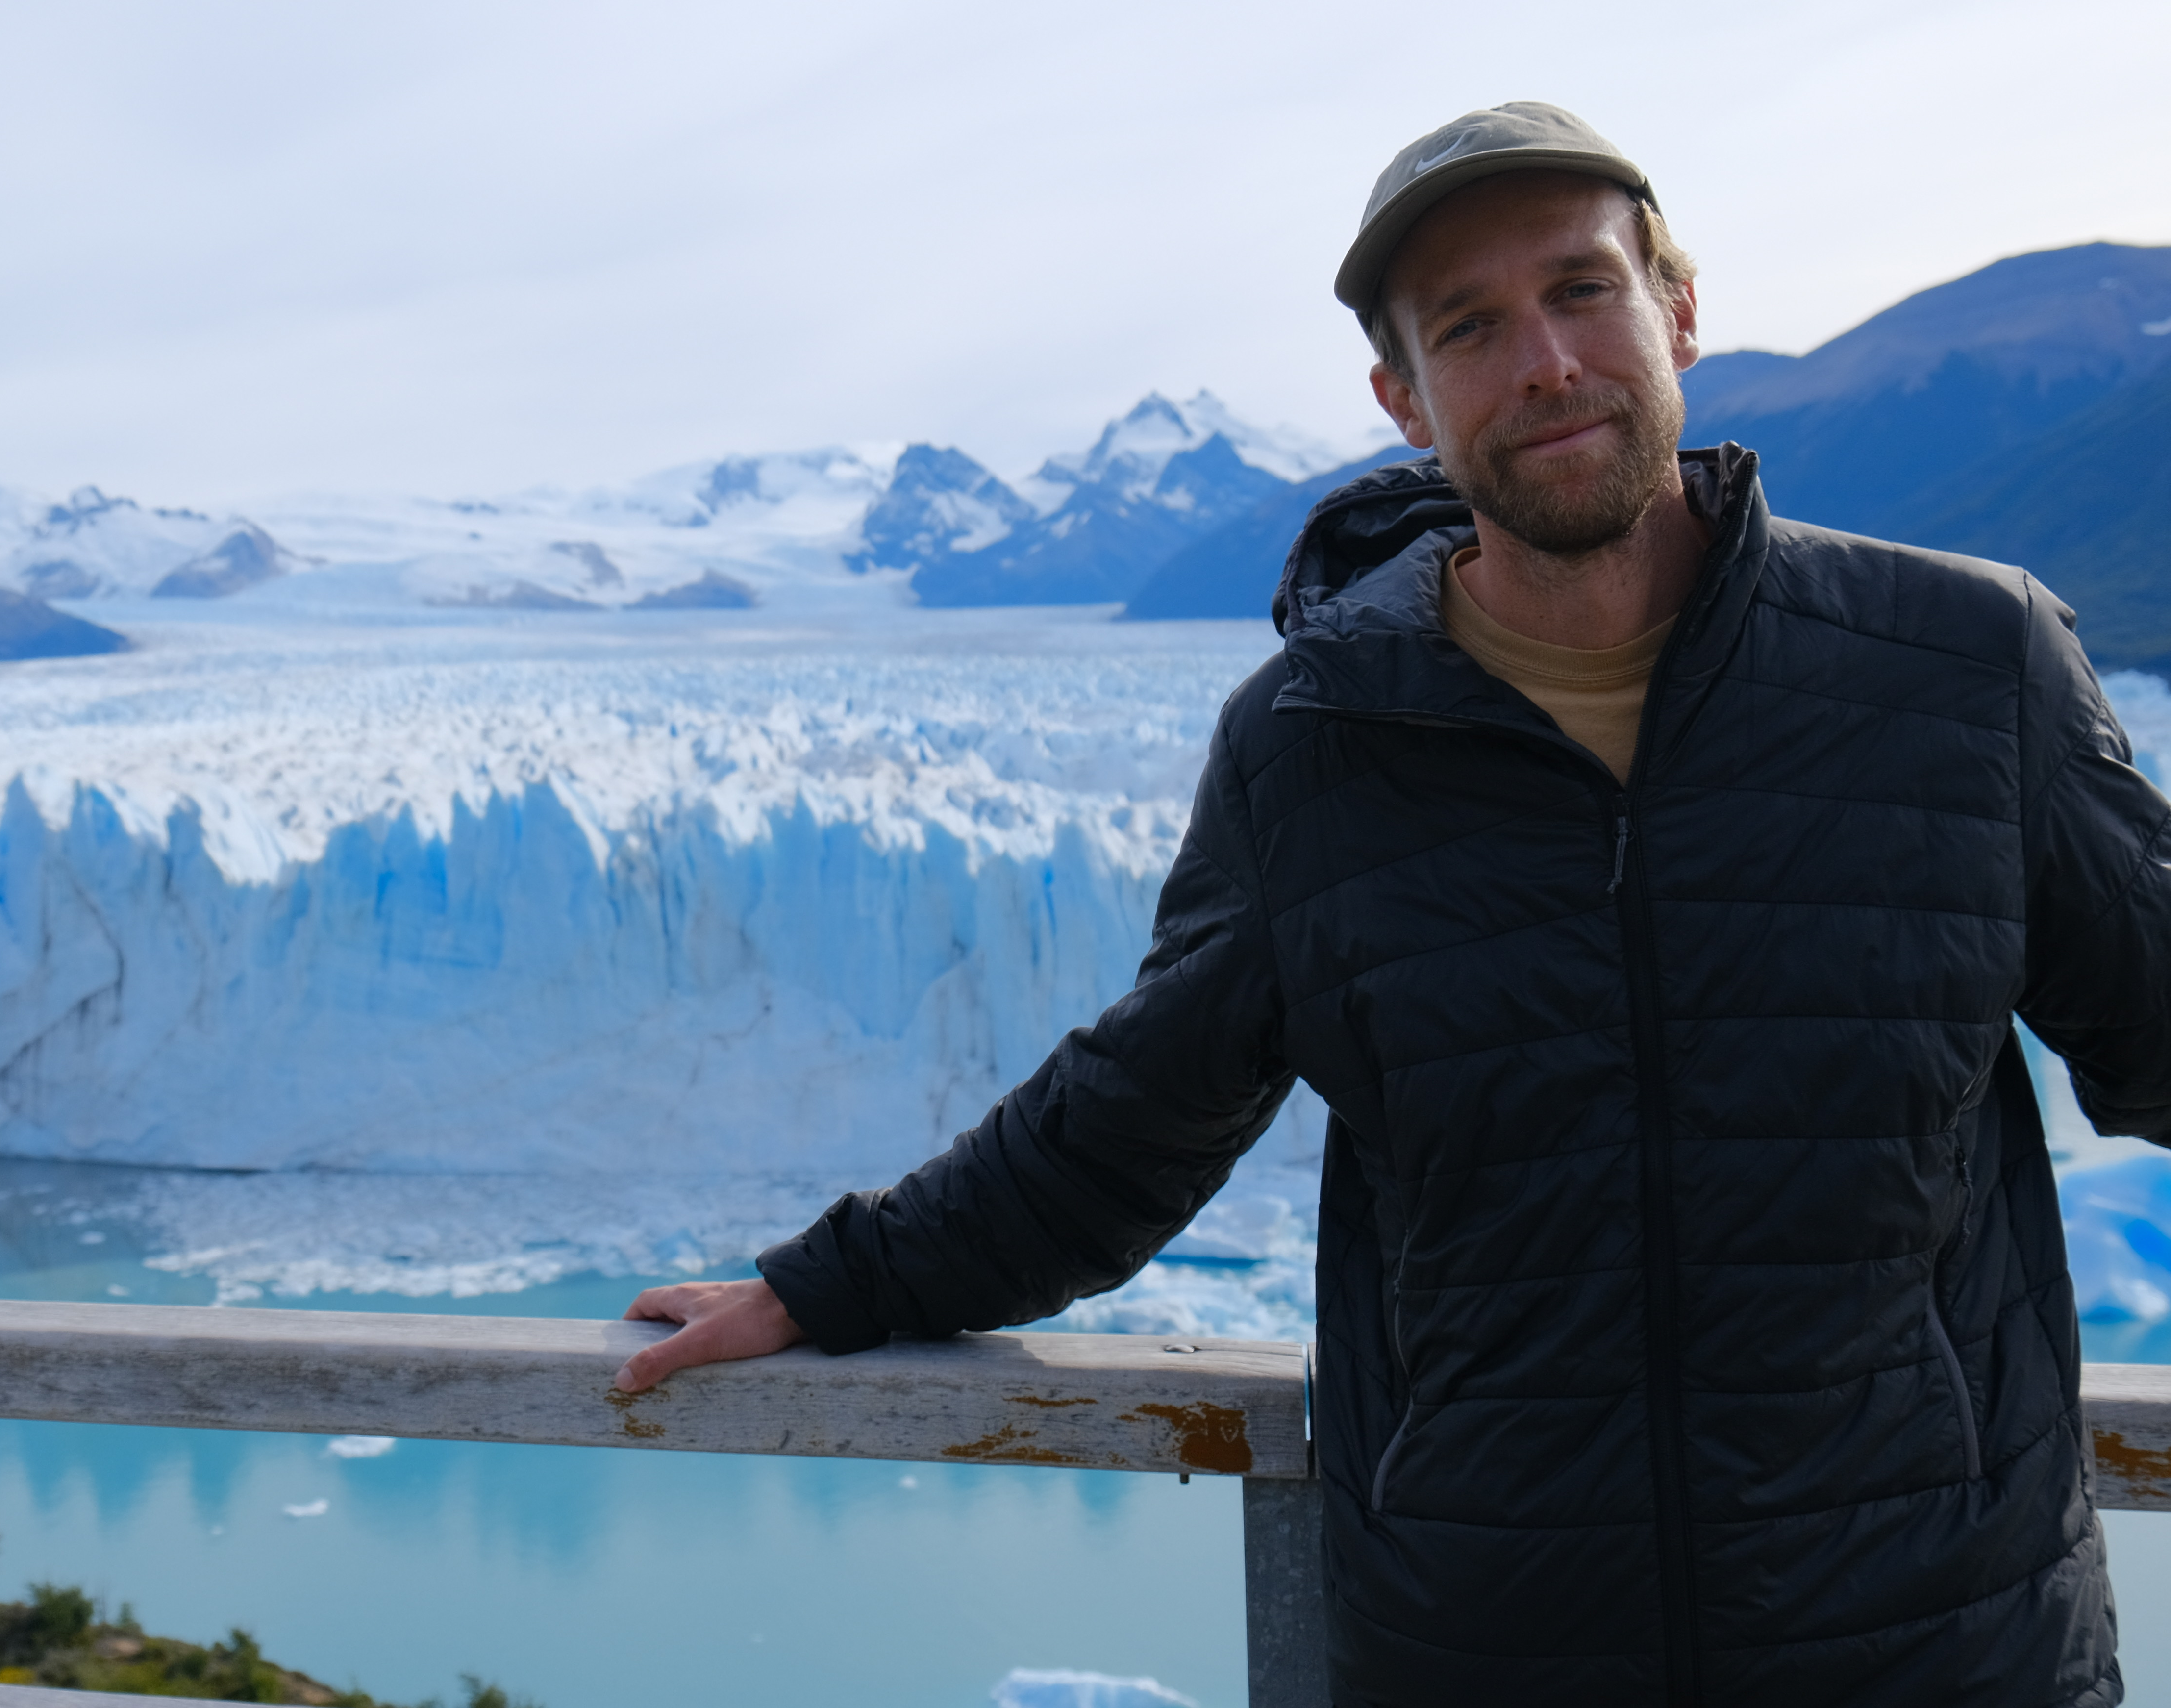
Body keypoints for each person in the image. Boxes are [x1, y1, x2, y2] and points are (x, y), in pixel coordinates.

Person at [612, 102, 2171, 1706]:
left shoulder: (1963, 673)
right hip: (1490, 1653)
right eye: (1470, 327)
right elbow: (1126, 1124)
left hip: (1941, 1653)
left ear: (1678, 310)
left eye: (1582, 291)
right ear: (1403, 398)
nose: (1547, 365)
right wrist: (837, 1281)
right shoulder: (1316, 748)